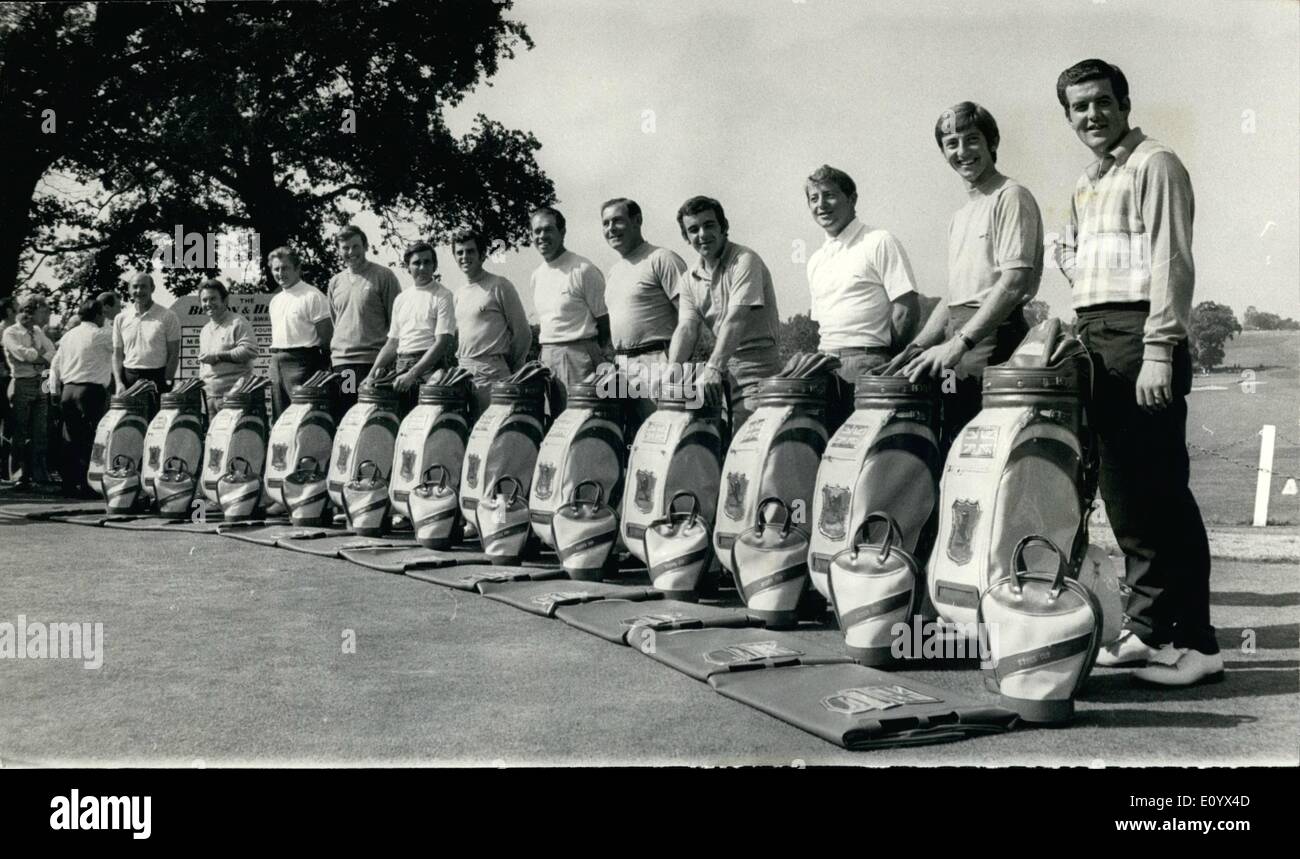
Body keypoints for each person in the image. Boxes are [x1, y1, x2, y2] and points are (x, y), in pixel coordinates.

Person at [1054, 59, 1219, 686]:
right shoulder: (1086, 181)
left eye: (1101, 102)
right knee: (1127, 500)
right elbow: (1077, 259)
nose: (1091, 115)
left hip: (1139, 336)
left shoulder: (1155, 163)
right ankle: (1150, 631)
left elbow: (1171, 261)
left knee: (1161, 495)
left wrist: (1159, 348)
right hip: (1096, 337)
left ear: (1124, 102)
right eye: (1078, 108)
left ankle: (1196, 644)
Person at [902, 102, 1042, 449]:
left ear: (992, 142)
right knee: (951, 444)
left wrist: (959, 343)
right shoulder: (960, 215)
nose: (962, 151)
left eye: (971, 140)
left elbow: (1013, 283)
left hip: (993, 339)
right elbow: (954, 297)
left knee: (987, 450)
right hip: (958, 344)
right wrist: (917, 346)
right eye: (951, 143)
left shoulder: (1011, 196)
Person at [805, 165, 920, 430]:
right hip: (824, 368)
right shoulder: (815, 261)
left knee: (865, 453)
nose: (821, 205)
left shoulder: (878, 241)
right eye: (814, 198)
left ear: (852, 199)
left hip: (869, 364)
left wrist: (884, 358)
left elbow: (906, 310)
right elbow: (821, 323)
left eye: (829, 195)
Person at [667, 195, 782, 433]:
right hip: (719, 368)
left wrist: (713, 368)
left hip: (756, 367)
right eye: (693, 229)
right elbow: (687, 328)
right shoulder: (689, 279)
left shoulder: (744, 260)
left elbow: (736, 318)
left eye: (709, 225)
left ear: (724, 227)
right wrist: (672, 369)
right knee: (702, 439)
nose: (702, 235)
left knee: (747, 443)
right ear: (686, 237)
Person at [601, 197, 686, 439]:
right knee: (626, 444)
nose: (611, 229)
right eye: (605, 223)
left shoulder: (662, 258)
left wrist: (677, 366)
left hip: (661, 360)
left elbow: (690, 317)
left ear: (637, 221)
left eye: (617, 221)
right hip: (622, 367)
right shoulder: (614, 271)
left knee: (667, 442)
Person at [528, 207, 610, 415]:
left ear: (562, 232)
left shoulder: (583, 269)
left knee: (580, 422)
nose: (542, 236)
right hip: (547, 358)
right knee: (553, 426)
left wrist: (585, 352)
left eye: (548, 230)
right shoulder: (537, 275)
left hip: (578, 358)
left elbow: (605, 322)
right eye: (537, 231)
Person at [365, 241, 456, 417]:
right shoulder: (401, 299)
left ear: (434, 265)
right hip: (400, 366)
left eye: (427, 262)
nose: (422, 267)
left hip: (430, 369)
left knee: (426, 425)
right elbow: (392, 343)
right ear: (407, 267)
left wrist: (413, 374)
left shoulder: (443, 295)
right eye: (416, 263)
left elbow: (442, 342)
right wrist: (370, 375)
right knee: (396, 423)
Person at [450, 227, 532, 419]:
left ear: (482, 254)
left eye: (470, 251)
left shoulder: (499, 285)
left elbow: (523, 334)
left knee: (492, 435)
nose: (465, 257)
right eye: (459, 252)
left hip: (493, 373)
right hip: (463, 375)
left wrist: (505, 367)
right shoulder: (458, 293)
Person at [327, 225, 400, 419]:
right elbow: (337, 321)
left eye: (355, 246)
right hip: (344, 365)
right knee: (347, 416)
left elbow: (397, 324)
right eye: (345, 248)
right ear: (338, 250)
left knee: (374, 418)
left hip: (374, 362)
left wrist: (387, 361)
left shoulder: (384, 276)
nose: (351, 252)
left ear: (365, 246)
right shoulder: (335, 282)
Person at [49, 298, 113, 498]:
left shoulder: (68, 336)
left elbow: (55, 364)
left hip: (68, 390)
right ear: (98, 315)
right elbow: (121, 346)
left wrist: (54, 390)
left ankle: (68, 483)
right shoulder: (101, 335)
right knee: (91, 438)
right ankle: (87, 485)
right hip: (90, 391)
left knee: (69, 438)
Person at [267, 246, 332, 420]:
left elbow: (326, 339)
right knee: (281, 419)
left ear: (297, 269)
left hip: (303, 363)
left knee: (304, 417)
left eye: (285, 268)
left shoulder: (313, 296)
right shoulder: (275, 301)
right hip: (276, 363)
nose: (280, 273)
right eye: (276, 269)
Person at [2, 297, 56, 489]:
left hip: (40, 382)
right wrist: (39, 355)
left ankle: (39, 473)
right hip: (22, 383)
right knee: (20, 430)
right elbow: (21, 354)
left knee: (40, 430)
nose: (27, 315)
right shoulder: (10, 332)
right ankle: (18, 475)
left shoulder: (38, 332)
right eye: (24, 310)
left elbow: (52, 352)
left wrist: (37, 356)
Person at [112, 273, 181, 420]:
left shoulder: (168, 316)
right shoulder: (121, 318)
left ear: (152, 288)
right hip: (129, 377)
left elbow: (174, 353)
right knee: (130, 425)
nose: (139, 291)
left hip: (157, 378)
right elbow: (117, 354)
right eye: (135, 287)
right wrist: (119, 382)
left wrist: (167, 382)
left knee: (156, 425)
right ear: (129, 290)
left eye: (143, 286)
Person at [197, 279, 259, 417]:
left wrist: (218, 356)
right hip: (210, 398)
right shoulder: (205, 330)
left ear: (225, 300)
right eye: (204, 300)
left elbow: (250, 350)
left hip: (234, 397)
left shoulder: (238, 322)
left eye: (213, 299)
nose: (208, 304)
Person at [0, 297, 14, 481]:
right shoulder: (3, 329)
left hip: (8, 378)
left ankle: (5, 467)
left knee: (9, 425)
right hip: (4, 380)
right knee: (6, 423)